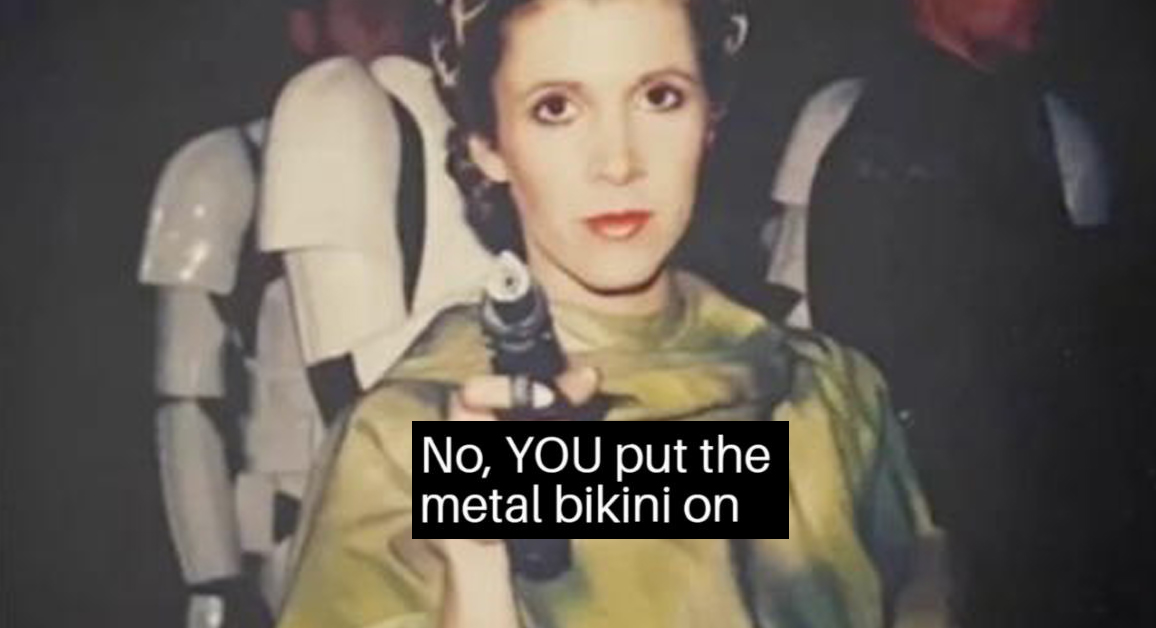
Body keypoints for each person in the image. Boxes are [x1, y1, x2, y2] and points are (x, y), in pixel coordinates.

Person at [275, 0, 942, 627]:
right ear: (487, 144)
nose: (618, 162)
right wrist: (478, 579)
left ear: (711, 117)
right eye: (556, 108)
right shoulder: (405, 443)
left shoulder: (832, 392)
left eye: (660, 97)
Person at [765, 0, 1156, 625]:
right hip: (886, 497)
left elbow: (1090, 365)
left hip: (1021, 523)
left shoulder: (1057, 131)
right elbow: (796, 331)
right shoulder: (840, 115)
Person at [137, 1, 491, 626]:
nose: (385, 19)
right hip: (301, 515)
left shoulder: (455, 143)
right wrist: (213, 581)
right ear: (305, 24)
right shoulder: (232, 167)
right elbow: (189, 401)